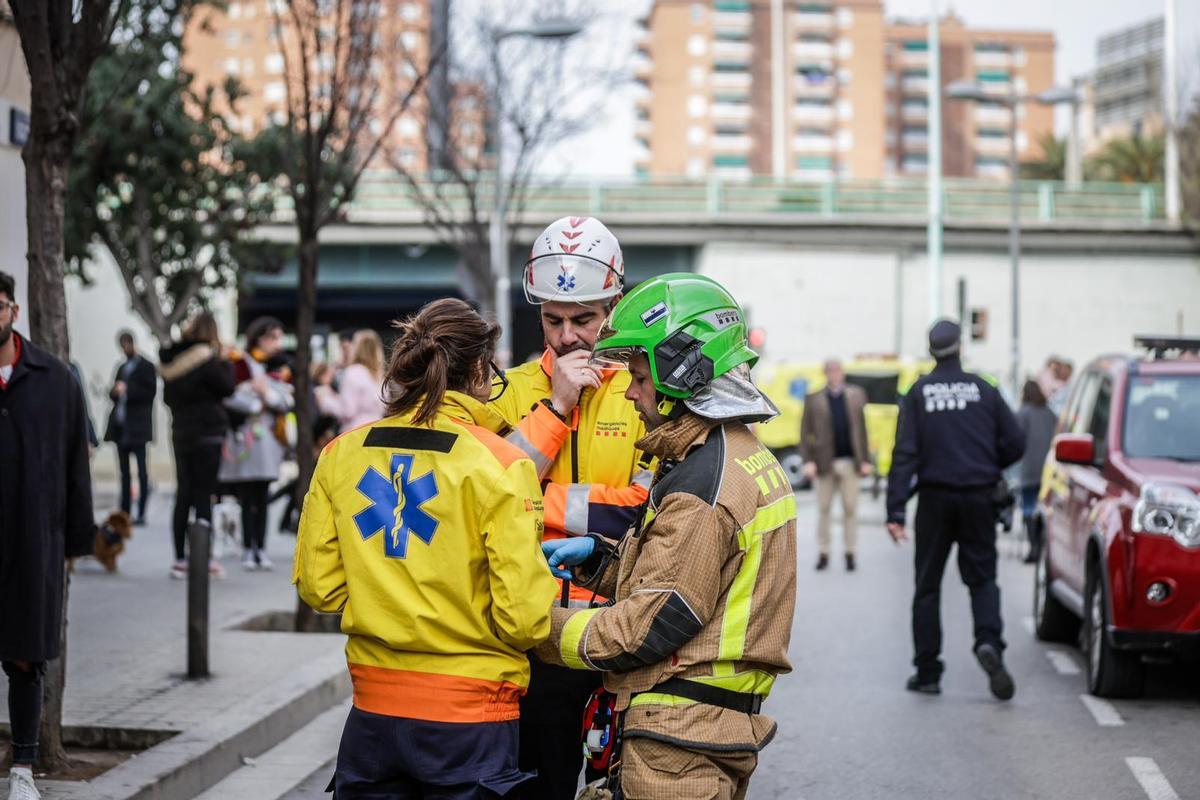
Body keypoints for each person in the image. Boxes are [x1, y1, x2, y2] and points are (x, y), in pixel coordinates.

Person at [536, 273, 797, 799]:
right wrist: (601, 564)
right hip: (702, 730)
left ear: (680, 372)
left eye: (639, 377)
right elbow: (691, 577)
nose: (630, 393)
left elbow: (646, 625)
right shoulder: (734, 455)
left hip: (677, 742)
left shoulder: (705, 483)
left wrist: (533, 625)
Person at [294, 298, 558, 798]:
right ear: (480, 369)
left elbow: (320, 590)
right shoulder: (501, 464)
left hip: (372, 713)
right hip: (471, 720)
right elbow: (524, 619)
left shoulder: (339, 455)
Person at [488, 216, 654, 799]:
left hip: (618, 626)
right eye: (553, 320)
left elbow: (645, 510)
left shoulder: (642, 393)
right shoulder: (505, 392)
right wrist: (556, 407)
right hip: (532, 635)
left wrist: (537, 504)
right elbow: (485, 494)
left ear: (614, 304)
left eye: (584, 319)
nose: (566, 337)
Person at [886, 319, 1025, 700]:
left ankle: (928, 672)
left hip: (934, 499)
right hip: (980, 496)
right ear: (961, 347)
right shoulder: (984, 389)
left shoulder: (918, 393)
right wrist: (989, 462)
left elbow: (905, 454)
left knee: (927, 587)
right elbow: (1016, 441)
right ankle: (989, 644)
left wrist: (895, 511)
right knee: (982, 580)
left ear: (931, 352)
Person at [0, 271, 95, 800]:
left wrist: (76, 541)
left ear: (13, 310)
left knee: (24, 656)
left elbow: (75, 468)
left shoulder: (55, 379)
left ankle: (23, 768)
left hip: (33, 537)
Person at [160, 313, 236, 579]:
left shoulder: (172, 360)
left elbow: (167, 399)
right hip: (208, 434)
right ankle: (202, 557)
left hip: (181, 432)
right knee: (204, 495)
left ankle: (179, 558)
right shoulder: (210, 360)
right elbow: (228, 387)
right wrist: (225, 360)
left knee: (183, 493)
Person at [219, 316, 294, 571]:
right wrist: (254, 401)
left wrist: (265, 394)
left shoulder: (280, 366)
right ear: (259, 337)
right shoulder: (240, 362)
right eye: (272, 336)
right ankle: (248, 548)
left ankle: (260, 547)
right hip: (247, 439)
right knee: (247, 495)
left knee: (262, 495)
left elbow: (286, 400)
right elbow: (230, 396)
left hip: (269, 441)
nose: (276, 343)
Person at [800, 358, 872, 572]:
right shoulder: (813, 399)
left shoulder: (856, 395)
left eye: (838, 370)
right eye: (830, 370)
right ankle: (823, 552)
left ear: (843, 372)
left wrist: (866, 460)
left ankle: (851, 552)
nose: (835, 373)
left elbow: (862, 430)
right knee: (824, 509)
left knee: (850, 509)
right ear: (825, 373)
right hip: (824, 463)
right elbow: (805, 433)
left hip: (850, 462)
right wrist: (808, 461)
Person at [104, 330, 157, 525]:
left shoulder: (146, 366)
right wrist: (115, 391)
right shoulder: (122, 367)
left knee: (142, 472)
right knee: (124, 473)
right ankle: (125, 512)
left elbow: (149, 393)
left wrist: (128, 389)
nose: (125, 348)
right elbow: (113, 392)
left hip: (138, 428)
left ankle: (141, 512)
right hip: (121, 427)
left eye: (127, 344)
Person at [1016, 379, 1058, 564]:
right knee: (1043, 507)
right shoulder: (1050, 413)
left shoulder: (1023, 413)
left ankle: (1033, 546)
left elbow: (1015, 440)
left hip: (1029, 467)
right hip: (1048, 469)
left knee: (1028, 506)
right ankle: (1040, 545)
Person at [316, 329, 386, 431]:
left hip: (355, 433)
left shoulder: (354, 372)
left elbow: (347, 411)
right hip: (376, 431)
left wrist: (324, 401)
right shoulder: (379, 376)